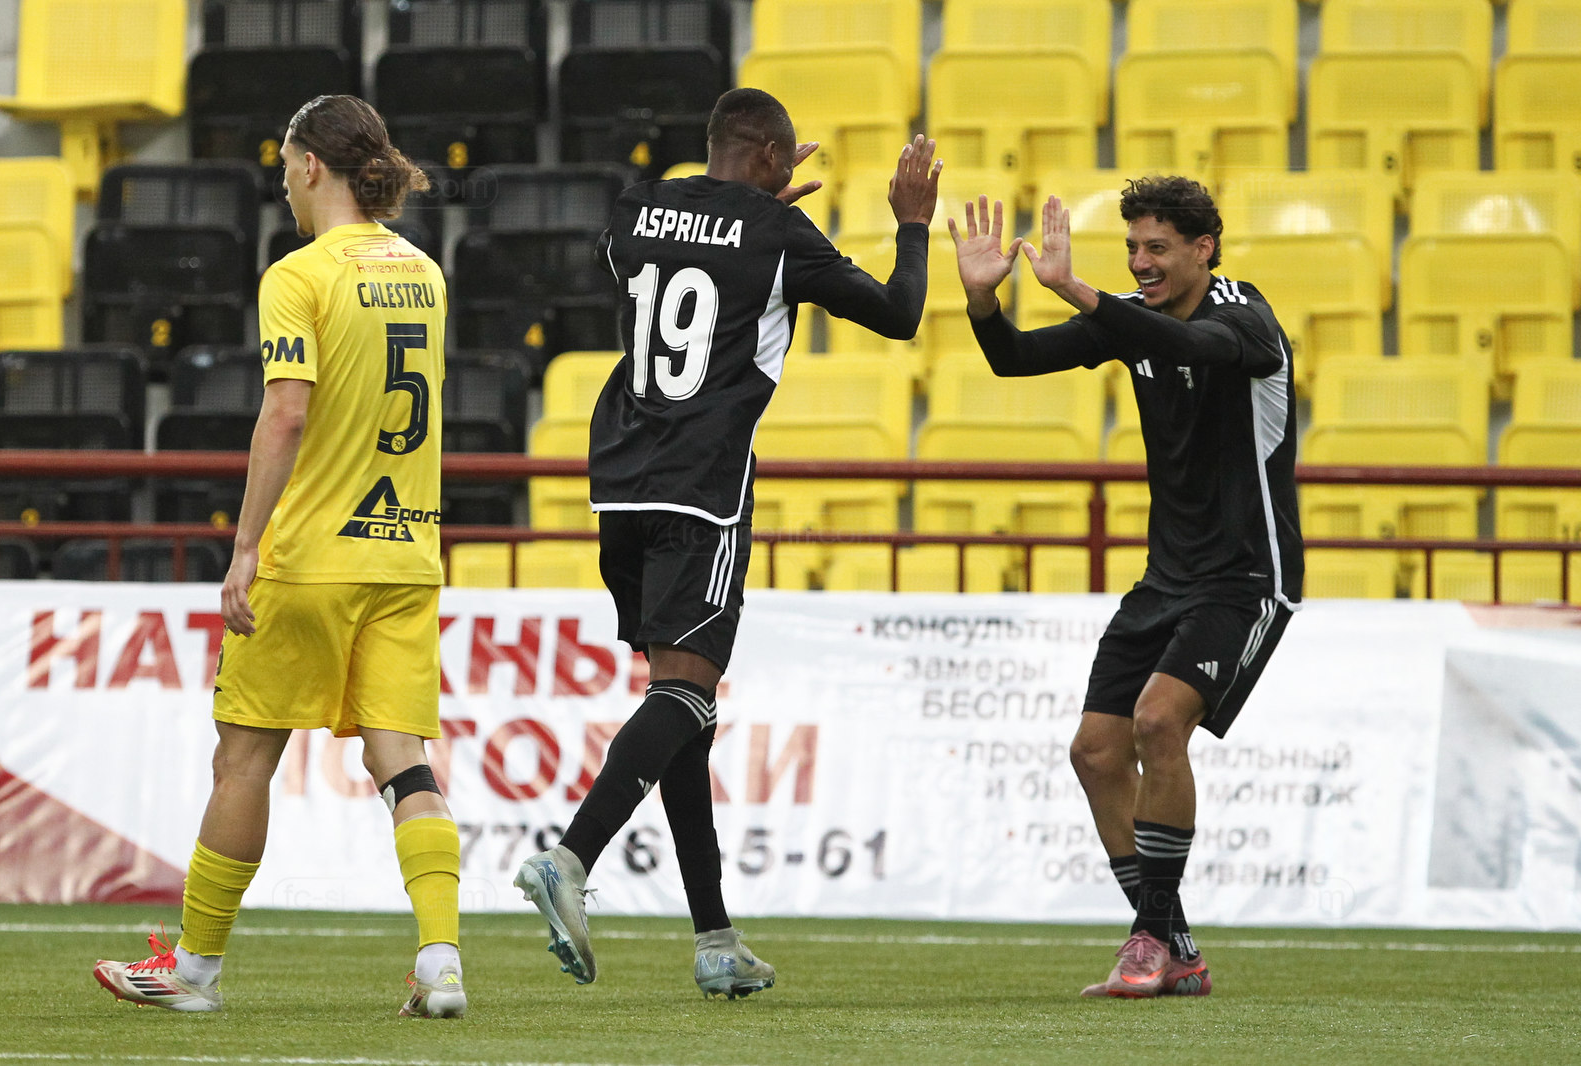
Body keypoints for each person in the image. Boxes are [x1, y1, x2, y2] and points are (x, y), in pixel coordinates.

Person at [513, 87, 941, 998]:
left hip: (618, 482)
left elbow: (655, 259)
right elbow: (901, 313)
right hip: (703, 488)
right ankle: (570, 858)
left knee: (683, 710)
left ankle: (715, 940)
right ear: (777, 160)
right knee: (686, 694)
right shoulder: (782, 235)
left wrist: (739, 211)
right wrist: (911, 224)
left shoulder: (638, 208)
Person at [94, 95, 465, 1019]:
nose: (284, 186)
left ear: (310, 166)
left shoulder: (300, 274)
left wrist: (246, 545)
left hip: (311, 556)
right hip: (406, 555)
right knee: (404, 759)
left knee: (244, 760)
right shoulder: (425, 271)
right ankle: (441, 962)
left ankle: (194, 971)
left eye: (285, 168)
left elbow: (287, 413)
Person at [949, 176, 1303, 998]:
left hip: (1247, 575)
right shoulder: (1134, 320)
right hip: (1165, 577)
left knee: (1156, 721)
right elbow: (1013, 359)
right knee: (1096, 751)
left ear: (1204, 249)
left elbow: (1195, 347)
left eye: (1158, 248)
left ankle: (1147, 938)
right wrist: (982, 303)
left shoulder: (1245, 317)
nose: (1141, 262)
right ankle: (1175, 948)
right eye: (1132, 248)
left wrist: (1079, 290)